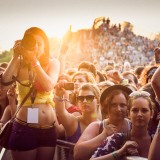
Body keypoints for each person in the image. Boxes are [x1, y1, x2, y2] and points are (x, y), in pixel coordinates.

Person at [1, 27, 60, 160]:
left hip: (48, 129)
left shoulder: (53, 63)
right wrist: (15, 57)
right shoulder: (19, 64)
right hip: (25, 128)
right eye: (33, 44)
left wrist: (34, 62)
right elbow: (4, 85)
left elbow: (48, 85)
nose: (36, 48)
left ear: (45, 46)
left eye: (40, 44)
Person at [74, 84, 132, 160]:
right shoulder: (97, 126)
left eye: (122, 105)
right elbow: (77, 154)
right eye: (114, 105)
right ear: (106, 107)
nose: (118, 109)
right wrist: (103, 135)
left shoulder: (133, 126)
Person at [90, 90, 154, 160]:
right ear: (129, 114)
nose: (139, 114)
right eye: (135, 110)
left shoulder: (156, 140)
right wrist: (120, 152)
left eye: (144, 110)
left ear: (151, 114)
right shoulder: (116, 139)